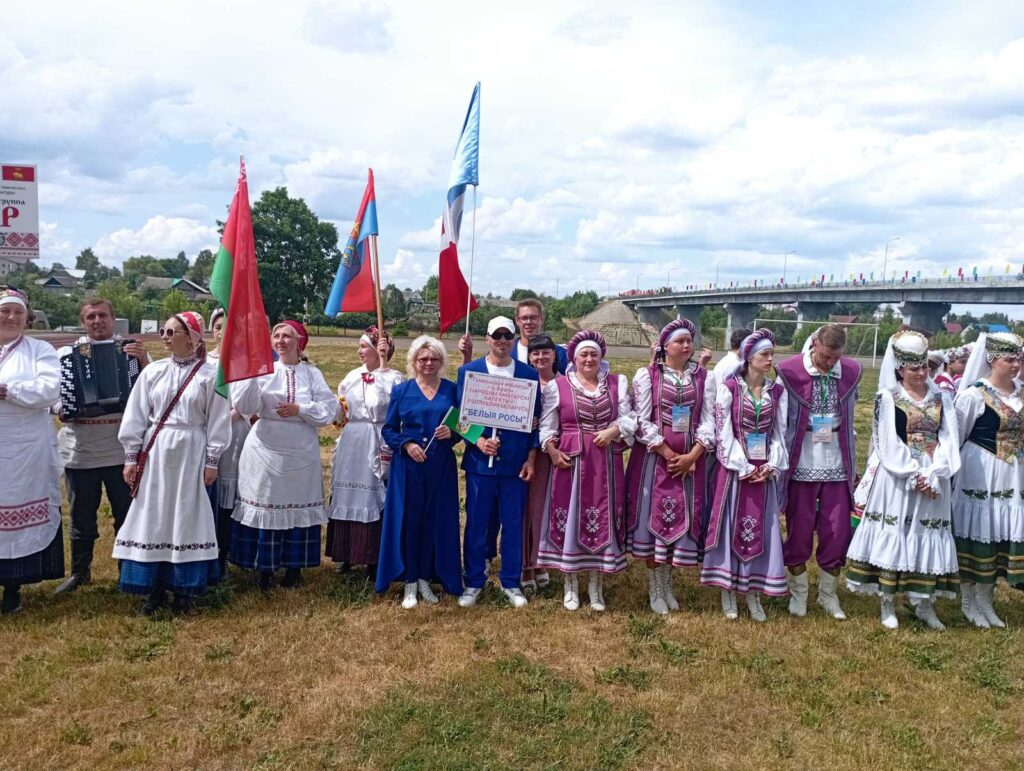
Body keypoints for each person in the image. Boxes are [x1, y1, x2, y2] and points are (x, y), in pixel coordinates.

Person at [115, 311, 229, 614]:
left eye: (171, 332)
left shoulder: (211, 375)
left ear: (191, 337)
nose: (164, 337)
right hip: (156, 453)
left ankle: (183, 590)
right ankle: (153, 588)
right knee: (154, 514)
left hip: (191, 450)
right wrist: (131, 457)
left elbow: (218, 421)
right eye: (163, 331)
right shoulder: (153, 372)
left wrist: (212, 460)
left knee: (186, 515)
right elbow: (136, 414)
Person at [847, 331, 960, 629]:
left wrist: (936, 471)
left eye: (924, 366)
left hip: (935, 476)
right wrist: (914, 474)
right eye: (914, 368)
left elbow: (949, 437)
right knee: (896, 531)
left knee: (928, 534)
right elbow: (887, 442)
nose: (921, 373)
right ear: (899, 368)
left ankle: (924, 602)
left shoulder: (941, 398)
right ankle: (888, 602)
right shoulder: (888, 398)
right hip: (899, 476)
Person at [229, 321, 336, 590]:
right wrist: (252, 374)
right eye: (276, 335)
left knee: (298, 505)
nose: (280, 340)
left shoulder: (312, 373)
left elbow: (329, 410)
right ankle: (263, 569)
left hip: (301, 451)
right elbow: (245, 405)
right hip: (266, 447)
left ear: (299, 341)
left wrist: (300, 408)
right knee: (266, 502)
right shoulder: (265, 370)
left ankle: (294, 568)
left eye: (286, 336)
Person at [54, 298, 150, 594]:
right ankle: (79, 572)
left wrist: (145, 361)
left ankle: (127, 570)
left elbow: (152, 391)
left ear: (113, 318)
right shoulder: (65, 355)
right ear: (83, 322)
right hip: (80, 447)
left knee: (125, 512)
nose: (97, 321)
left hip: (121, 447)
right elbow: (50, 394)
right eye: (91, 317)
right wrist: (61, 405)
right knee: (81, 513)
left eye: (103, 316)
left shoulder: (131, 352)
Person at [537, 330, 635, 611]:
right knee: (572, 517)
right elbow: (547, 425)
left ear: (601, 356)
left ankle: (596, 585)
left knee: (602, 516)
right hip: (572, 460)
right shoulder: (559, 386)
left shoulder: (615, 383)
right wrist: (553, 452)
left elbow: (630, 418)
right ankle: (570, 584)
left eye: (594, 354)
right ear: (574, 358)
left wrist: (615, 429)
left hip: (605, 461)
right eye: (584, 354)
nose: (589, 359)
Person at [626, 318, 715, 614]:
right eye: (680, 341)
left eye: (689, 340)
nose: (687, 345)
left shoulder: (703, 377)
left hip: (689, 461)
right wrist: (666, 451)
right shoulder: (648, 374)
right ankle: (655, 585)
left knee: (680, 520)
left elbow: (708, 420)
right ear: (666, 346)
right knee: (654, 521)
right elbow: (642, 418)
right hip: (655, 460)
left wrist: (692, 456)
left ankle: (667, 583)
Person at [700, 330, 789, 621]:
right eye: (765, 354)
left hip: (763, 471)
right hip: (736, 471)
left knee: (762, 528)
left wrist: (771, 465)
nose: (770, 359)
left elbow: (778, 432)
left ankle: (753, 592)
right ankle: (728, 592)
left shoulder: (777, 391)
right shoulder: (729, 388)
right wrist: (743, 466)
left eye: (771, 354)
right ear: (750, 357)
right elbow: (723, 432)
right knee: (730, 526)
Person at [776, 323, 862, 620]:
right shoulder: (789, 371)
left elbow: (851, 414)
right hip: (803, 459)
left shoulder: (850, 372)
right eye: (825, 356)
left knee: (837, 530)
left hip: (837, 460)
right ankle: (798, 593)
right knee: (799, 530)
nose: (829, 363)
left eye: (835, 358)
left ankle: (828, 595)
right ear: (814, 344)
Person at [456, 316, 541, 609]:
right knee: (477, 523)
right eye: (497, 335)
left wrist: (531, 457)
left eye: (508, 335)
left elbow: (535, 423)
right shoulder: (470, 371)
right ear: (487, 337)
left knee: (513, 523)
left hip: (515, 464)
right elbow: (458, 418)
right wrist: (479, 440)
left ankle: (511, 580)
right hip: (481, 464)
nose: (502, 341)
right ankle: (474, 580)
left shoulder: (528, 375)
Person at [376, 336, 463, 606]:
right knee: (409, 522)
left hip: (440, 466)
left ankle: (426, 578)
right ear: (414, 361)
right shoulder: (402, 391)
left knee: (433, 521)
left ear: (441, 362)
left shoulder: (452, 390)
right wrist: (407, 443)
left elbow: (464, 426)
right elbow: (389, 429)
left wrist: (453, 432)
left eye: (433, 358)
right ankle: (410, 581)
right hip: (409, 466)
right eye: (423, 359)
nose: (428, 363)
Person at [952, 332, 1024, 628]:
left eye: (1018, 358)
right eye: (1010, 359)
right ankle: (969, 601)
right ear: (992, 359)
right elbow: (956, 436)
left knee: (998, 533)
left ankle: (986, 599)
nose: (1016, 364)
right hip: (980, 470)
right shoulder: (973, 395)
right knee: (977, 529)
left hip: (1011, 472)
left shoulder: (1020, 393)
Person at [0, 288, 64, 614]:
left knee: (15, 511)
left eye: (18, 313)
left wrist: (7, 390)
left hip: (24, 451)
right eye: (5, 311)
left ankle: (12, 588)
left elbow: (49, 389)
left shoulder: (40, 350)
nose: (11, 318)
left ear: (27, 317)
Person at [326, 327, 402, 579]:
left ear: (382, 349)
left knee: (376, 495)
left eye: (364, 346)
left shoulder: (394, 379)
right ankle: (345, 552)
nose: (359, 351)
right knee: (346, 493)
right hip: (352, 441)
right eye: (359, 346)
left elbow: (387, 406)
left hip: (378, 437)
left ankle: (373, 556)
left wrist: (381, 369)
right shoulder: (350, 377)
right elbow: (341, 411)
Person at [206, 308, 250, 573]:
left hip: (236, 433)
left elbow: (246, 401)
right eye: (218, 326)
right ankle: (211, 551)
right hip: (208, 436)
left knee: (233, 493)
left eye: (228, 326)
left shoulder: (244, 361)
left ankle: (230, 551)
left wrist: (224, 420)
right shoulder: (204, 362)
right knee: (213, 489)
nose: (223, 331)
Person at [521, 334, 561, 593]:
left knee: (547, 507)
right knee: (529, 509)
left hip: (557, 453)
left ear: (554, 355)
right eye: (535, 353)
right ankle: (526, 563)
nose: (540, 357)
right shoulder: (523, 382)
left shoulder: (567, 382)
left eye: (545, 352)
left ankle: (542, 559)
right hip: (528, 453)